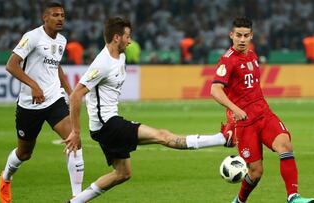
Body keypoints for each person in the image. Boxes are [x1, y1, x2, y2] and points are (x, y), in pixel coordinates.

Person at [64, 16, 232, 203]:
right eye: (128, 36)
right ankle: (222, 138)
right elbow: (75, 95)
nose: (130, 41)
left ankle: (75, 202)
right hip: (108, 125)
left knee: (122, 173)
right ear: (116, 38)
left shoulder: (120, 57)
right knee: (163, 136)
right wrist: (76, 132)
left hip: (106, 126)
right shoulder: (102, 63)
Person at [210, 17, 314, 203]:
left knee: (285, 144)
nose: (242, 39)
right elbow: (214, 90)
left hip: (264, 114)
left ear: (251, 36)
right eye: (238, 35)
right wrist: (234, 110)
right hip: (245, 123)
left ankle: (293, 197)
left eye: (245, 35)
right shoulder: (227, 61)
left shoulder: (251, 54)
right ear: (231, 35)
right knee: (256, 172)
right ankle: (240, 201)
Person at [0, 3, 84, 203]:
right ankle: (6, 177)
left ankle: (78, 196)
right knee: (24, 153)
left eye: (62, 15)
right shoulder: (33, 37)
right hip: (30, 104)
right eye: (55, 15)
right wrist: (34, 86)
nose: (60, 18)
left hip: (54, 100)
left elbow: (56, 67)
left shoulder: (62, 40)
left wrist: (71, 93)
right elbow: (11, 65)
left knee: (74, 140)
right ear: (45, 18)